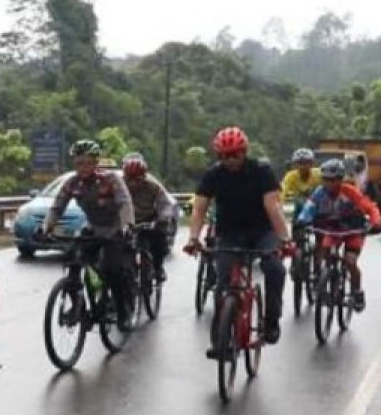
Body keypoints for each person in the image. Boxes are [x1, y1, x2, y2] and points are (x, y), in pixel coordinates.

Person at [184, 126, 293, 349]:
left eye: (235, 154)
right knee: (223, 280)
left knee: (275, 268)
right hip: (230, 233)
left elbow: (273, 207)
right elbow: (199, 209)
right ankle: (221, 332)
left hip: (263, 231)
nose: (230, 160)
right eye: (224, 156)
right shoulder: (213, 174)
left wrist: (285, 239)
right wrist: (193, 239)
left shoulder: (262, 171)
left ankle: (271, 320)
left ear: (244, 152)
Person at [40, 139, 136, 331]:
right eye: (78, 163)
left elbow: (124, 202)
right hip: (92, 227)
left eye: (87, 163)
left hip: (114, 229)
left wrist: (127, 225)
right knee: (73, 260)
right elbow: (57, 206)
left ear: (95, 162)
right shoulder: (72, 183)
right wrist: (46, 227)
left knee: (112, 269)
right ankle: (76, 305)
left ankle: (123, 312)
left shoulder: (110, 180)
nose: (83, 167)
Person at [296, 158, 381, 311]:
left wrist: (376, 221)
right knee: (323, 252)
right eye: (325, 179)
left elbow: (370, 207)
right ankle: (326, 280)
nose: (328, 183)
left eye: (332, 179)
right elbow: (309, 208)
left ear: (340, 179)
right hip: (332, 230)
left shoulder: (351, 192)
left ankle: (357, 291)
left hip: (352, 231)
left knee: (349, 261)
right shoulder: (319, 193)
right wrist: (302, 220)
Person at [121, 152, 177, 282]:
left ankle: (158, 267)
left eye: (138, 179)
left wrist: (163, 218)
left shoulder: (153, 185)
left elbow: (165, 203)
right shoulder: (118, 185)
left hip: (148, 221)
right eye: (130, 179)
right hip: (125, 222)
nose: (134, 183)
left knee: (159, 240)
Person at [281, 148, 321, 226]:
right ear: (295, 164)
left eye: (306, 163)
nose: (302, 166)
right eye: (299, 163)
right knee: (295, 207)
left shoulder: (319, 174)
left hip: (317, 205)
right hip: (299, 206)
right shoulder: (290, 176)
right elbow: (282, 193)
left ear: (311, 163)